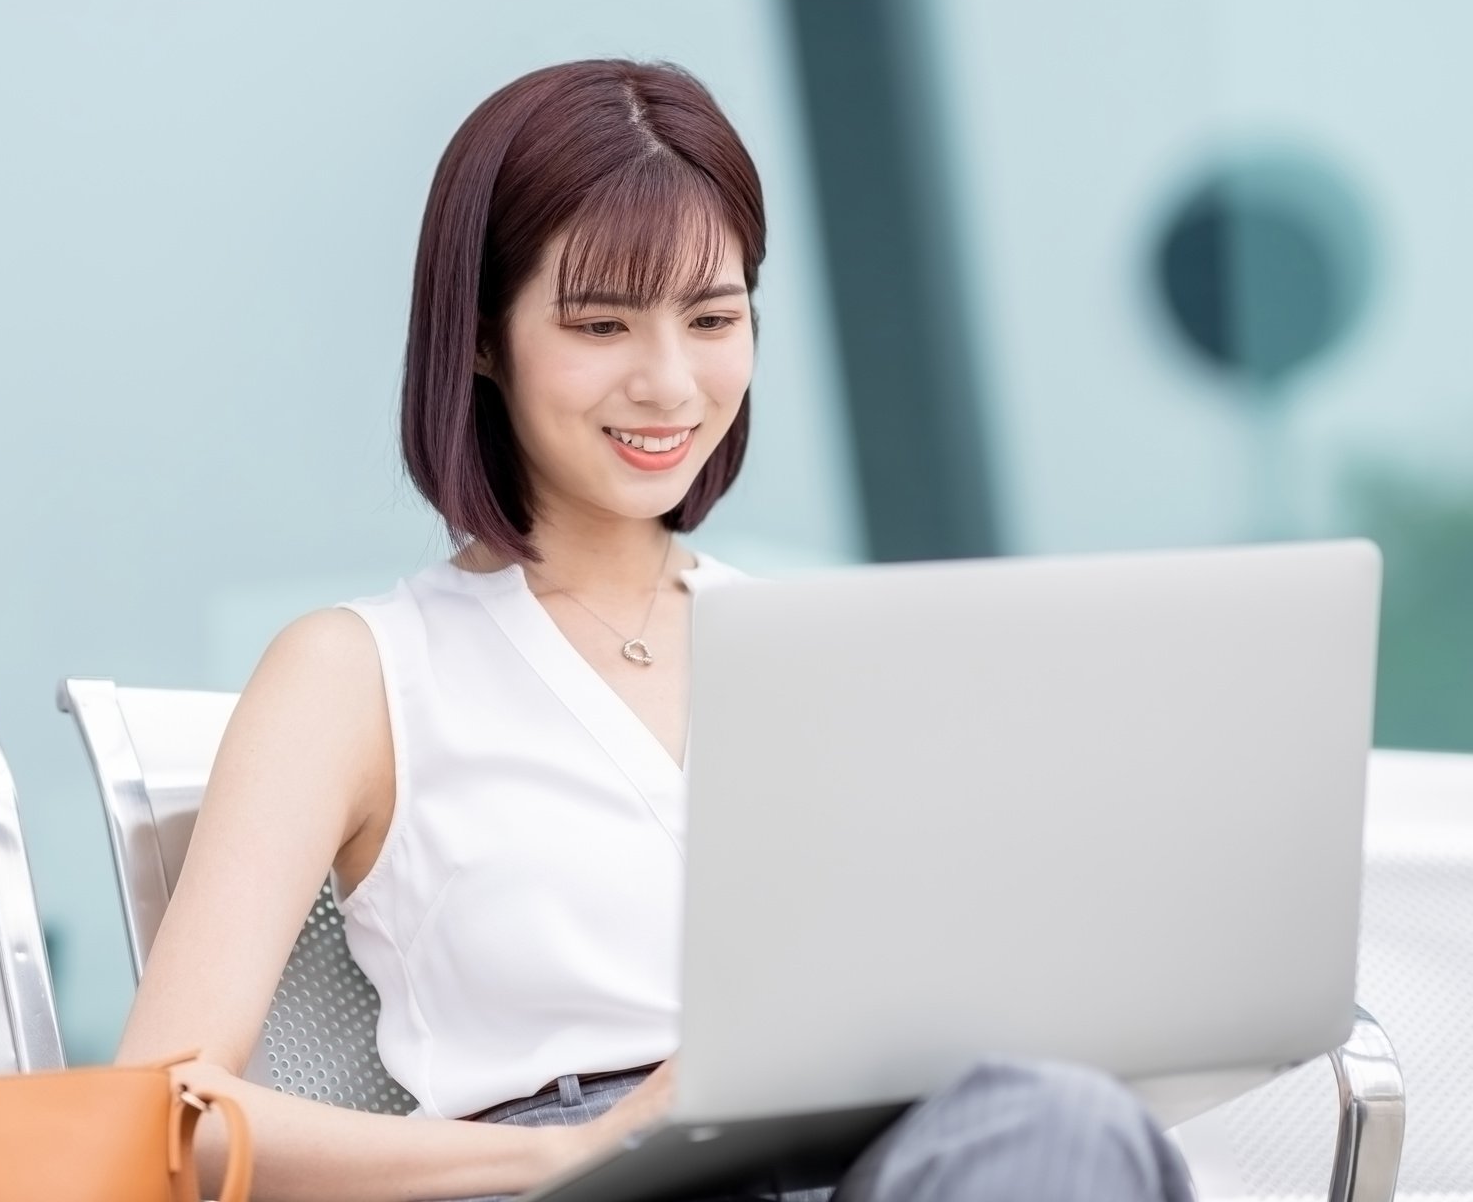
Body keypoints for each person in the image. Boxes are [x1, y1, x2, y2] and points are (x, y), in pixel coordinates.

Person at [116, 59, 1196, 1202]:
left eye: (714, 318)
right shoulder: (361, 672)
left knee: (1061, 1119)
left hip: (887, 1159)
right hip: (582, 1177)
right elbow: (161, 1108)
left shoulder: (826, 652)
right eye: (600, 325)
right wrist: (576, 1151)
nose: (669, 382)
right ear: (483, 339)